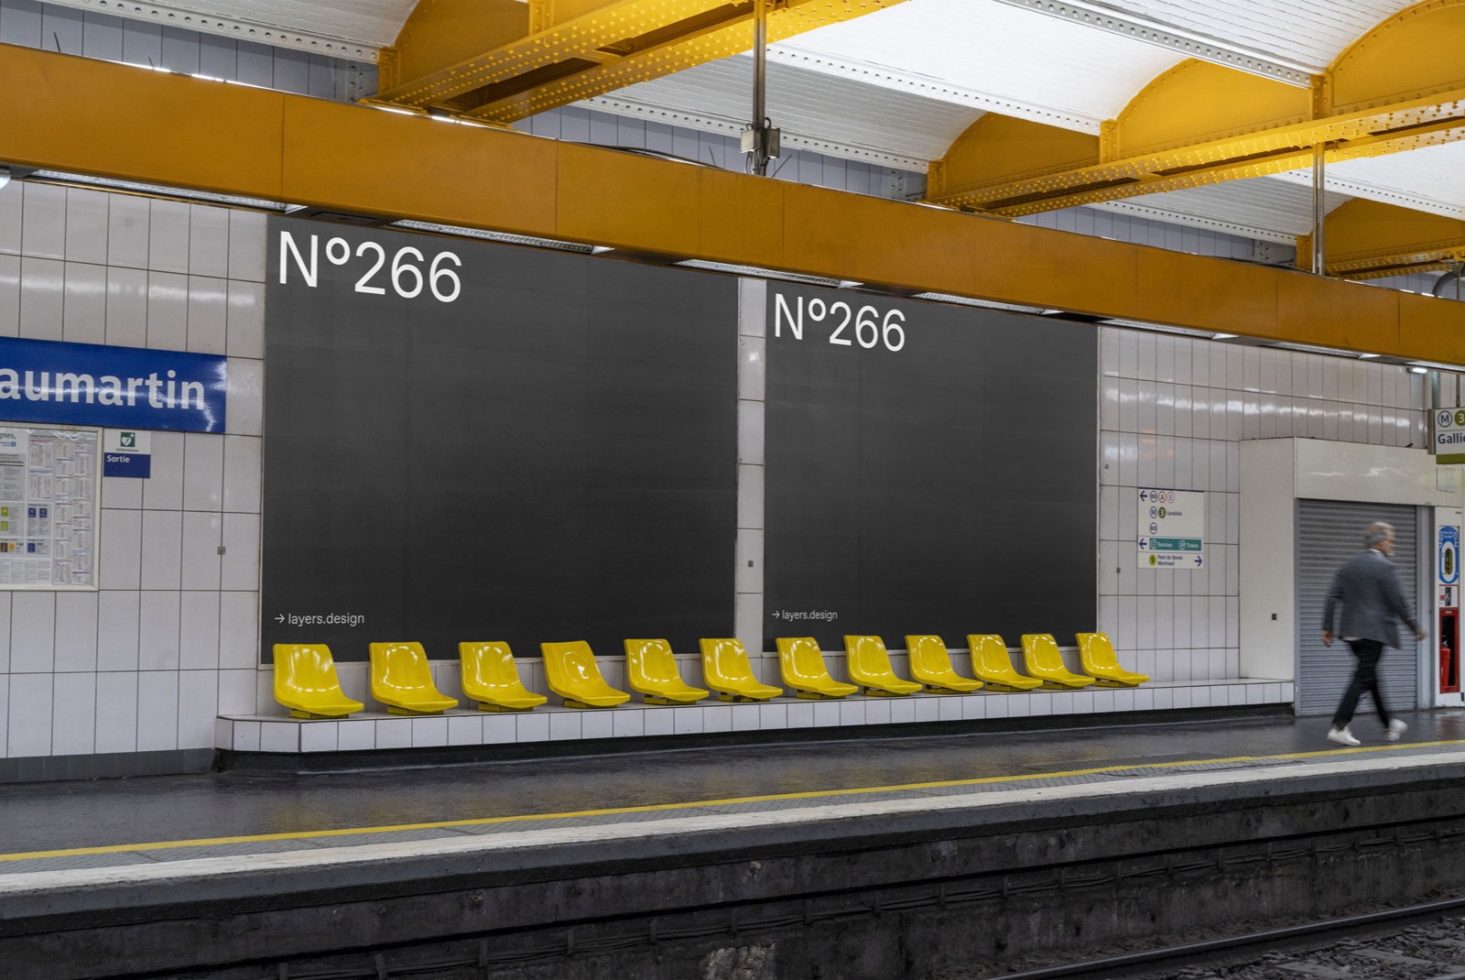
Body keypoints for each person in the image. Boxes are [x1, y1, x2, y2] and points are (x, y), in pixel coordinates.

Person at [1321, 521, 1426, 746]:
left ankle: (1388, 723)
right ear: (1379, 541)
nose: (1393, 543)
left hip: (1350, 634)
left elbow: (1332, 597)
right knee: (1362, 677)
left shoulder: (1348, 565)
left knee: (1370, 676)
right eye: (1391, 539)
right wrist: (1414, 627)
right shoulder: (1385, 567)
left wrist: (1327, 627)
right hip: (1373, 633)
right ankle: (1340, 725)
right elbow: (1398, 601)